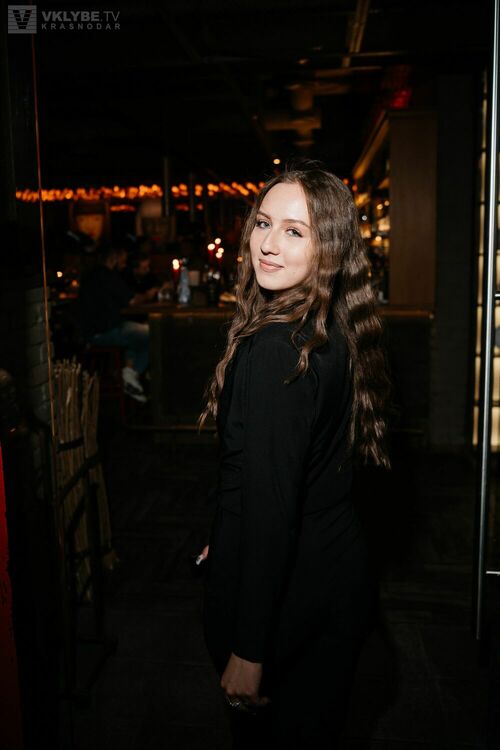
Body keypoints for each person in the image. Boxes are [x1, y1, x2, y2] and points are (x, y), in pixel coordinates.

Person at [197, 161, 391, 748]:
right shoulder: (332, 323)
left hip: (291, 593)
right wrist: (225, 533)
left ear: (328, 246)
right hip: (334, 570)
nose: (268, 244)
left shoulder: (279, 350)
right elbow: (303, 470)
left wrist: (250, 650)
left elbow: (273, 507)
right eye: (263, 223)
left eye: (294, 230)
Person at [78, 244, 156, 403]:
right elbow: (132, 300)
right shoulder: (108, 276)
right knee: (154, 333)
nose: (124, 264)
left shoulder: (90, 275)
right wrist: (149, 295)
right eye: (123, 260)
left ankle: (129, 374)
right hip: (104, 332)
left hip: (90, 332)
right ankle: (130, 374)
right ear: (114, 258)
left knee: (137, 334)